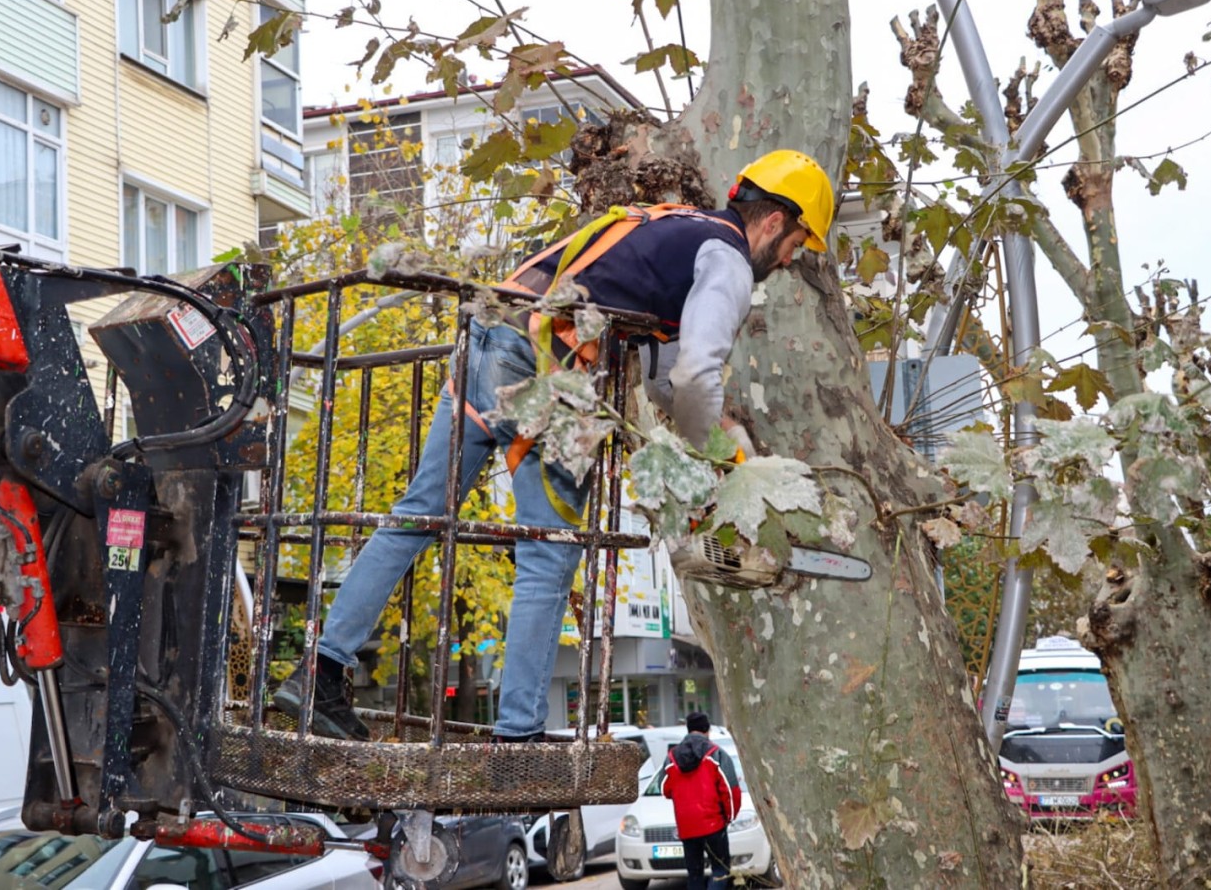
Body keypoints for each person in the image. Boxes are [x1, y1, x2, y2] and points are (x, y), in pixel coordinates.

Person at [273, 150, 835, 742]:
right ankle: (518, 729)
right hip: (544, 366)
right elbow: (698, 374)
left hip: (489, 338)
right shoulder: (729, 261)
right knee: (550, 549)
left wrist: (728, 452)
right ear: (774, 222)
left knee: (419, 514)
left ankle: (321, 670)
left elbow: (669, 378)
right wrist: (716, 468)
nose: (793, 257)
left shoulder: (675, 229)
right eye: (799, 240)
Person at [661, 711, 741, 889]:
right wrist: (729, 816)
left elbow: (664, 788)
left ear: (688, 729)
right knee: (720, 871)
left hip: (687, 826)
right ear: (707, 729)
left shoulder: (671, 757)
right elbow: (731, 790)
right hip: (713, 824)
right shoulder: (716, 754)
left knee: (694, 874)